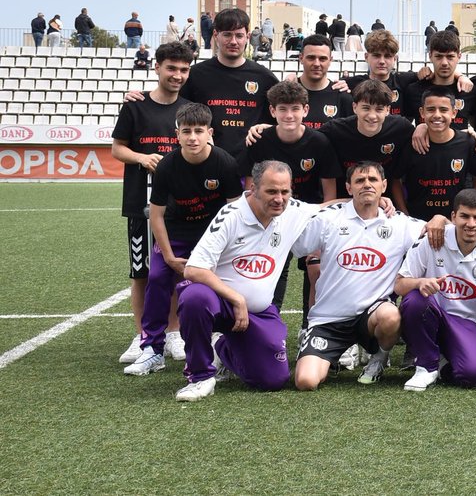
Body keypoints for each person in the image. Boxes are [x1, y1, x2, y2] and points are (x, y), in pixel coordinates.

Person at [173, 162, 320, 401]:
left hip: (259, 312)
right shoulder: (231, 215)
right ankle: (200, 377)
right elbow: (194, 268)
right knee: (194, 297)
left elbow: (330, 208)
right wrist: (236, 298)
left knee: (273, 380)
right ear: (253, 188)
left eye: (285, 191)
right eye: (271, 191)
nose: (279, 199)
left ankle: (223, 348)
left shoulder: (293, 211)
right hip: (220, 303)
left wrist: (376, 202)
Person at [123, 103, 242, 377]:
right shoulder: (166, 166)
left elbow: (235, 213)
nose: (192, 137)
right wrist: (167, 256)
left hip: (212, 238)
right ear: (177, 134)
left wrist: (225, 251)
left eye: (198, 131)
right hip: (176, 234)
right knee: (156, 278)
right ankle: (152, 349)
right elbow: (155, 216)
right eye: (186, 131)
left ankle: (221, 341)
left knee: (222, 283)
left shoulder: (224, 163)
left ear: (209, 132)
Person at [292, 162, 432, 390]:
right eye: (359, 181)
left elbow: (440, 229)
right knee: (306, 382)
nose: (366, 184)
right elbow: (296, 242)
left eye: (373, 180)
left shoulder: (398, 223)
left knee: (391, 316)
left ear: (384, 185)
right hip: (329, 320)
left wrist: (437, 219)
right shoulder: (329, 220)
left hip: (371, 316)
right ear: (348, 188)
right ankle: (329, 356)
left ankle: (379, 359)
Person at [111, 41, 194, 364]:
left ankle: (173, 333)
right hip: (139, 202)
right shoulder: (135, 106)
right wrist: (142, 157)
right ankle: (143, 335)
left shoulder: (188, 109)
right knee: (141, 271)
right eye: (171, 68)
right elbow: (118, 149)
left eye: (183, 70)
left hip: (178, 206)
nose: (177, 75)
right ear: (156, 67)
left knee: (171, 268)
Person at [238, 81, 340, 310]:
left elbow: (329, 190)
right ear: (273, 111)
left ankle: (310, 325)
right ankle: (270, 321)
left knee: (315, 268)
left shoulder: (319, 142)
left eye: (295, 109)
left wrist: (323, 223)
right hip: (272, 216)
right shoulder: (260, 140)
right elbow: (250, 186)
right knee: (272, 266)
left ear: (305, 110)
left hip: (310, 216)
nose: (289, 115)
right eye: (282, 109)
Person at [395, 190, 476, 391]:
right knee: (415, 299)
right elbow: (399, 284)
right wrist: (420, 282)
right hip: (431, 315)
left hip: (467, 324)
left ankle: (443, 366)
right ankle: (425, 366)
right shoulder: (431, 240)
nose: (471, 224)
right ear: (454, 216)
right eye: (465, 216)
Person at [177, 8, 278, 156]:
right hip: (206, 162)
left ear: (247, 37)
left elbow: (282, 117)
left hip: (250, 166)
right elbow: (172, 107)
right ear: (216, 35)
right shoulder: (195, 75)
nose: (233, 41)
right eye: (227, 35)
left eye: (239, 35)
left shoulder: (265, 77)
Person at [394, 88, 476, 221]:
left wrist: (475, 209)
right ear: (422, 112)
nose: (437, 115)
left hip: (455, 221)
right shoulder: (411, 144)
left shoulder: (467, 142)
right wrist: (405, 215)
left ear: (454, 113)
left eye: (443, 110)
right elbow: (395, 180)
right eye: (431, 109)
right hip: (417, 221)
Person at [296, 35, 354, 128]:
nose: (316, 64)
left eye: (322, 59)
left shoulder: (342, 97)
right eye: (311, 58)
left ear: (330, 60)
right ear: (301, 58)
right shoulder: (286, 93)